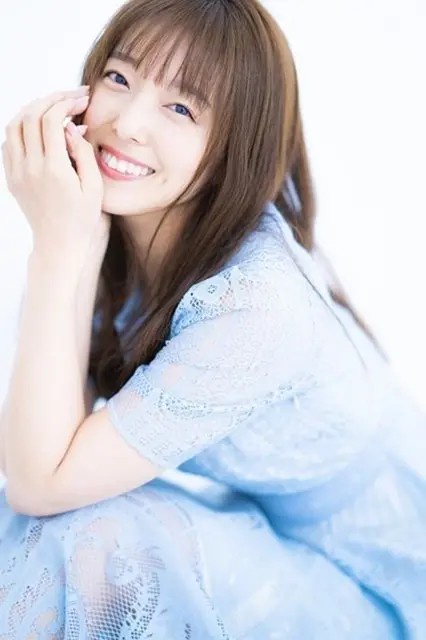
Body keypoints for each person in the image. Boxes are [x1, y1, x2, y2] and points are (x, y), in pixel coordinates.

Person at [0, 0, 425, 637]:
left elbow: (40, 482)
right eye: (118, 77)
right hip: (273, 542)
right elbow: (35, 460)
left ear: (234, 147)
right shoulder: (114, 226)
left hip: (374, 586)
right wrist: (73, 243)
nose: (127, 123)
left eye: (181, 108)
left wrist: (57, 248)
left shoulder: (256, 305)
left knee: (105, 538)